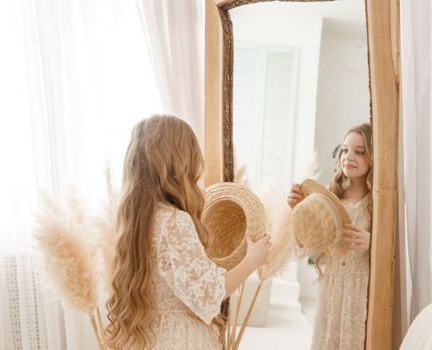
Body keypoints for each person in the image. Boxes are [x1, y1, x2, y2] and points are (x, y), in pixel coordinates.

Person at [105, 115, 271, 350]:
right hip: (178, 340)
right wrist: (252, 261)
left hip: (146, 338)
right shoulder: (174, 221)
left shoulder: (136, 222)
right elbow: (208, 295)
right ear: (180, 162)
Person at [287, 123, 373, 350]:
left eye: (359, 151)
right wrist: (297, 211)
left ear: (373, 157)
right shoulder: (330, 198)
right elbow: (304, 246)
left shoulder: (377, 204)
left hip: (360, 291)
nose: (349, 156)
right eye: (345, 149)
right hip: (332, 288)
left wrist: (373, 244)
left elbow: (395, 257)